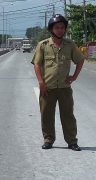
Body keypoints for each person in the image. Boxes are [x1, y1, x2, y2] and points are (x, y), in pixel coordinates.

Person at [32, 14, 85, 151]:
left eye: (62, 27)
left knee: (68, 115)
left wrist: (74, 76)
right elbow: (37, 64)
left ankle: (72, 141)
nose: (60, 30)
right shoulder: (43, 45)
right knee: (46, 114)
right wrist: (41, 82)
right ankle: (48, 139)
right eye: (57, 28)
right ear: (51, 29)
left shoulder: (70, 45)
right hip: (47, 87)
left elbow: (80, 60)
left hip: (64, 87)